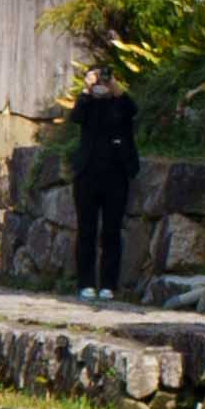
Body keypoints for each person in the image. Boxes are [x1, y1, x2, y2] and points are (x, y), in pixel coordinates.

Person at [67, 74, 144, 299]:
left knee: (112, 231)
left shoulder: (119, 105)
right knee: (86, 230)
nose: (103, 84)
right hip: (87, 175)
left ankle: (109, 284)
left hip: (116, 176)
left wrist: (116, 87)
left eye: (105, 80)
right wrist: (86, 88)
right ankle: (86, 283)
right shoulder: (88, 105)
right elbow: (76, 116)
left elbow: (133, 109)